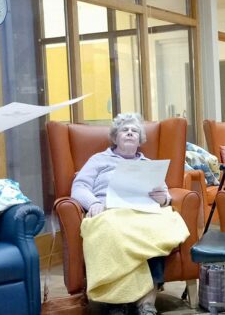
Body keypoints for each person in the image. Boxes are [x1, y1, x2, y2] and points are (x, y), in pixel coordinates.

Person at [70, 113, 189, 315]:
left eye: (134, 131)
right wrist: (94, 203)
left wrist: (163, 199)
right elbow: (79, 186)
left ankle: (147, 303)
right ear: (115, 137)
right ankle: (116, 302)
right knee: (111, 230)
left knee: (156, 230)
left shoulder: (148, 164)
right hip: (110, 210)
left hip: (143, 212)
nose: (130, 133)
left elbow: (165, 194)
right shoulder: (99, 160)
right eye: (125, 130)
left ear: (140, 139)